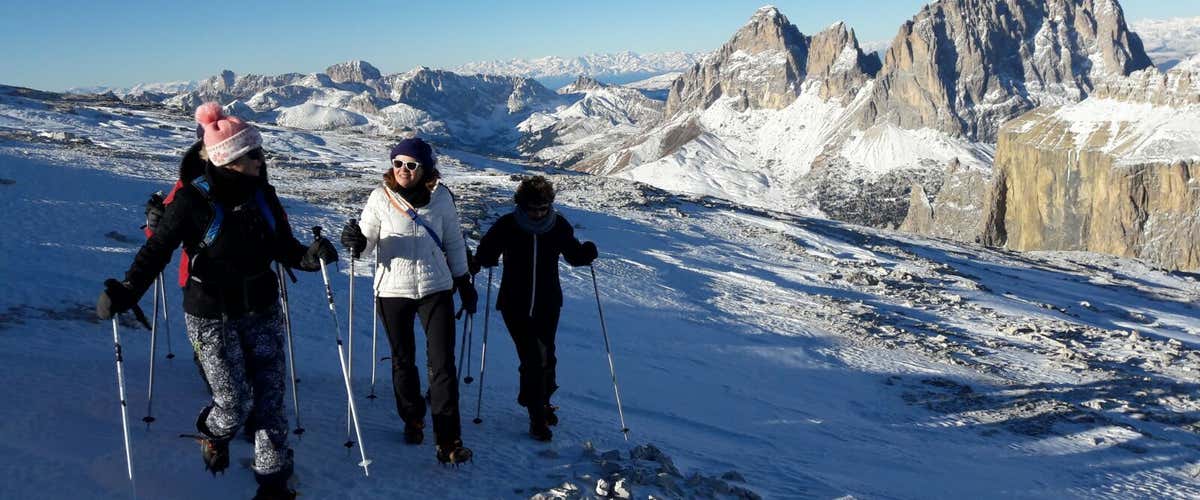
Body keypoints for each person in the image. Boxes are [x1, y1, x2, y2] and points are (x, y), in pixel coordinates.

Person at [96, 102, 337, 499]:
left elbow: (284, 247)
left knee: (270, 397)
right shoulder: (192, 202)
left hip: (262, 307)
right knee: (234, 401)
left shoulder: (263, 195)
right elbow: (157, 251)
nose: (262, 159)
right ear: (229, 160)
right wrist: (126, 290)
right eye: (253, 153)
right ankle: (212, 432)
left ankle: (273, 481)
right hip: (212, 314)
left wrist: (310, 257)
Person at [339, 137, 476, 464]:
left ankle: (448, 440)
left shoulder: (442, 198)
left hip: (436, 287)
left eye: (411, 164)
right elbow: (367, 243)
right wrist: (356, 242)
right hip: (392, 290)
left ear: (425, 167)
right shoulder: (380, 198)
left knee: (442, 366)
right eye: (398, 163)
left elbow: (454, 242)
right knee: (403, 361)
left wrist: (463, 280)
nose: (403, 170)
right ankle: (413, 417)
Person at [474, 175, 598, 442]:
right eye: (533, 208)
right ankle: (537, 416)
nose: (539, 213)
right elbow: (486, 253)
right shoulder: (507, 225)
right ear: (521, 205)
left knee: (547, 356)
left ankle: (538, 399)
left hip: (547, 302)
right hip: (513, 304)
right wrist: (479, 261)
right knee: (534, 358)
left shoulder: (557, 225)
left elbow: (574, 256)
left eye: (543, 208)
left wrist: (587, 252)